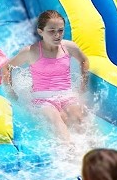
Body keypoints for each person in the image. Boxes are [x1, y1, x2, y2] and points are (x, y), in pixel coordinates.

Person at [6, 9, 91, 142]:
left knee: (79, 119)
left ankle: (93, 147)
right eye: (52, 31)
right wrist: (11, 91)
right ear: (41, 32)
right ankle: (69, 150)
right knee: (57, 120)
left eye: (60, 30)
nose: (57, 35)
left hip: (66, 94)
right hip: (42, 98)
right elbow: (7, 67)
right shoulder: (31, 51)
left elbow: (84, 61)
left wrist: (83, 87)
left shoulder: (69, 47)